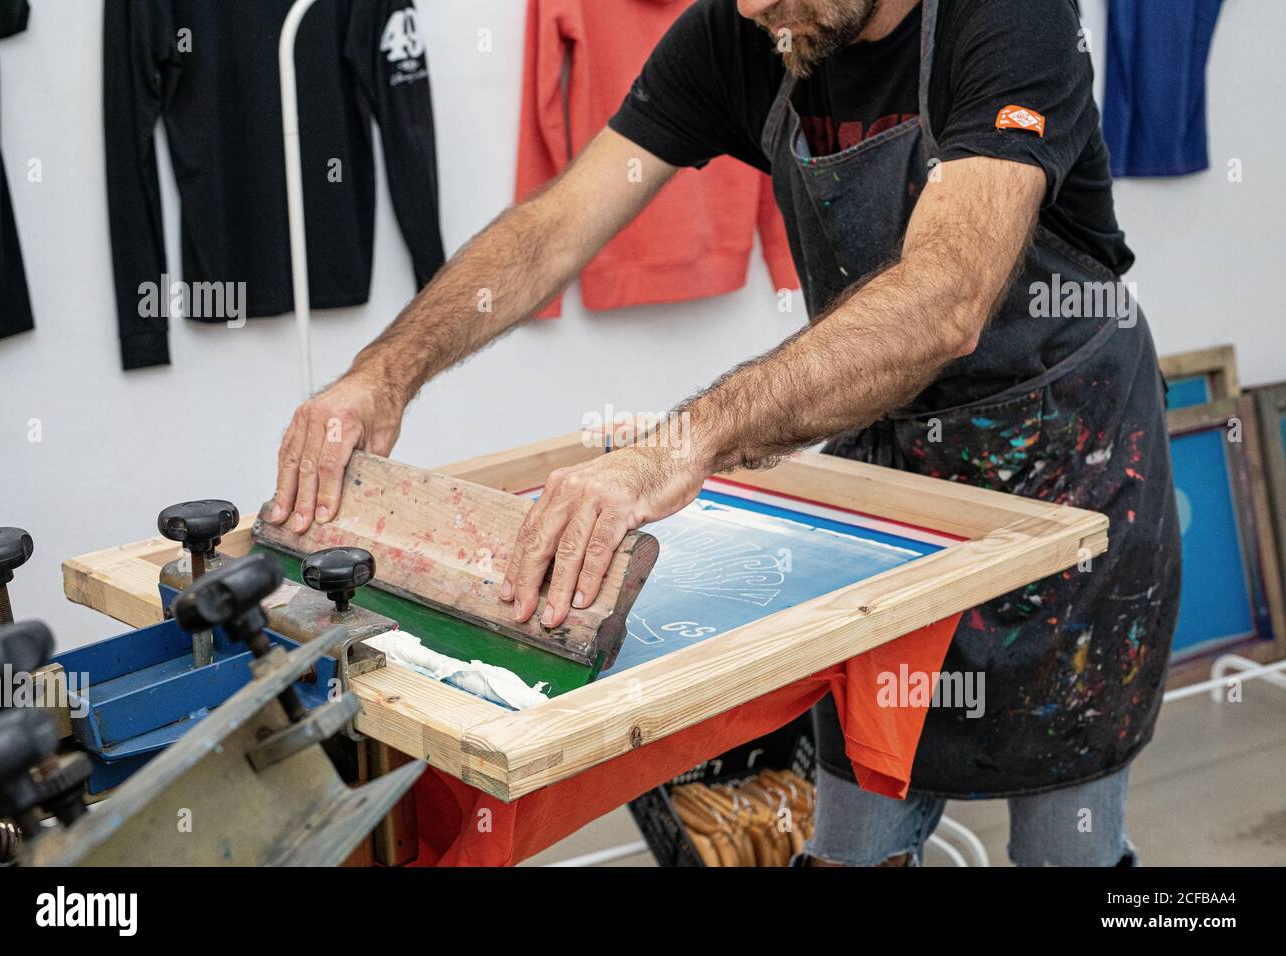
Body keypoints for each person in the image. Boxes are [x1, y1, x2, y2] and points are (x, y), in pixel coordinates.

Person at [267, 0, 1179, 866]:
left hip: (1068, 472)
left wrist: (678, 446)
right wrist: (385, 372)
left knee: (1067, 841)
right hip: (892, 478)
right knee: (854, 831)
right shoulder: (750, 28)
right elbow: (557, 224)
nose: (747, 9)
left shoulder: (1008, 21)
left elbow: (945, 300)